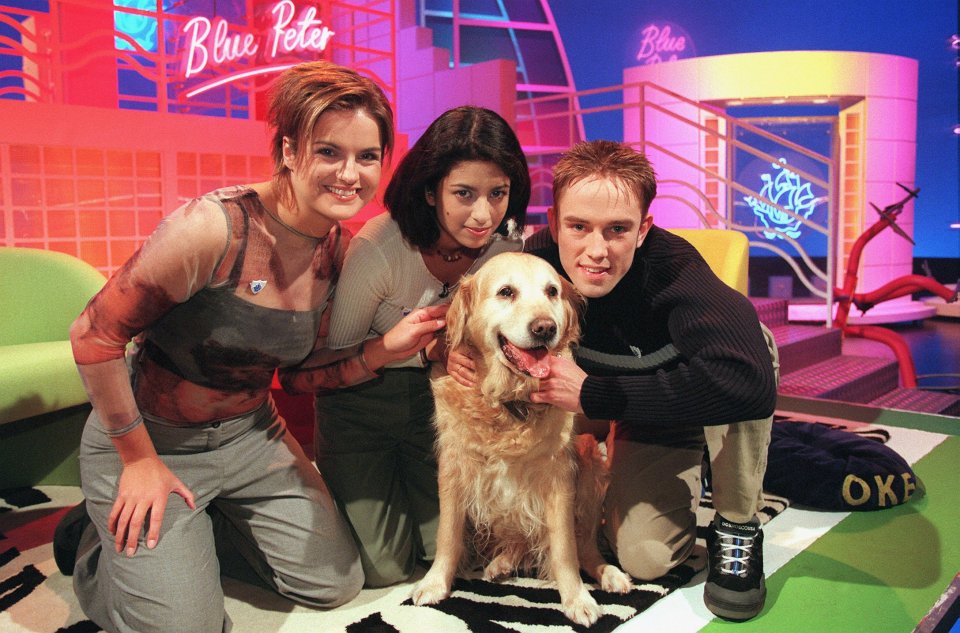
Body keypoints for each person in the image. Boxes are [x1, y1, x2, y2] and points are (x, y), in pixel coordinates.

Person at [55, 61, 447, 633]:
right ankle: (92, 544)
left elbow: (294, 376)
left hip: (251, 437)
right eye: (329, 152)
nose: (350, 173)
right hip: (152, 441)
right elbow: (92, 335)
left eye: (367, 157)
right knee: (183, 627)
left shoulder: (339, 250)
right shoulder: (213, 229)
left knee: (335, 584)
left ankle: (192, 538)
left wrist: (385, 350)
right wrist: (137, 460)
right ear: (288, 150)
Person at [450, 140, 779, 621]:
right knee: (636, 549)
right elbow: (470, 312)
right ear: (555, 220)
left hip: (672, 405)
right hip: (587, 400)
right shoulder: (535, 263)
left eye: (617, 230)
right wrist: (454, 350)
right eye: (578, 227)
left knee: (647, 560)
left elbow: (748, 383)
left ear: (643, 229)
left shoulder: (676, 273)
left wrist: (594, 394)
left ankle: (737, 522)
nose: (595, 251)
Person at [298, 105, 530, 587]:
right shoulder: (381, 248)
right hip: (362, 406)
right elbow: (331, 359)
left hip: (442, 410)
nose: (483, 213)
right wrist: (416, 350)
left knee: (460, 556)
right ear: (430, 192)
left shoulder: (507, 253)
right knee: (382, 570)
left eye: (498, 193)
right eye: (464, 194)